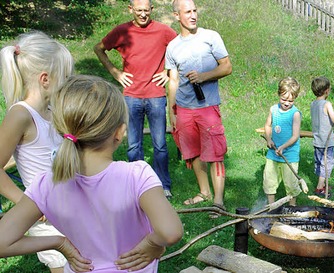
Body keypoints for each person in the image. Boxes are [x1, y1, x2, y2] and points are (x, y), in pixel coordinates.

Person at [0, 75, 184, 272]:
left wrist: (59, 243)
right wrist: (152, 243)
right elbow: (171, 232)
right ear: (120, 132)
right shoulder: (136, 175)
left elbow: (3, 242)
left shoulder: (45, 185)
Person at [0, 30, 74, 273]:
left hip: (69, 210)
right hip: (48, 220)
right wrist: (26, 204)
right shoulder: (20, 114)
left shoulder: (51, 111)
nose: (67, 82)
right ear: (45, 79)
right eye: (65, 77)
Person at [94, 0, 177, 199]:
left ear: (152, 10)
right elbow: (98, 48)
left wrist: (168, 72)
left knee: (160, 144)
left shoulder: (163, 31)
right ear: (130, 9)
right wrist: (115, 72)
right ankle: (134, 185)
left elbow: (179, 48)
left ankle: (162, 185)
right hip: (131, 96)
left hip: (156, 96)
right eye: (138, 11)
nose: (142, 15)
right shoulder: (122, 31)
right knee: (133, 145)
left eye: (146, 11)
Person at [166, 0, 233, 208]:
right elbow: (173, 80)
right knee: (193, 153)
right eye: (188, 12)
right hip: (184, 110)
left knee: (215, 154)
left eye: (195, 10)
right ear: (177, 16)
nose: (193, 15)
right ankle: (204, 192)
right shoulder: (173, 46)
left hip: (208, 108)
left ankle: (218, 201)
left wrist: (204, 77)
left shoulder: (210, 37)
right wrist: (172, 111)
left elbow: (227, 67)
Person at [263, 77, 303, 206]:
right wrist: (269, 139)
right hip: (273, 154)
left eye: (290, 101)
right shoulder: (273, 109)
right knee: (269, 180)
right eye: (284, 99)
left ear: (295, 98)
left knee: (291, 183)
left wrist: (283, 147)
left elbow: (295, 136)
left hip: (289, 155)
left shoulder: (295, 114)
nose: (286, 103)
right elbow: (268, 126)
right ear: (279, 95)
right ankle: (271, 207)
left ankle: (292, 208)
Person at [310, 76, 334, 197]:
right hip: (326, 141)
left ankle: (323, 184)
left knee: (319, 162)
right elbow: (333, 120)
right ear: (327, 90)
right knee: (327, 163)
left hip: (317, 140)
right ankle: (320, 188)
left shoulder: (313, 104)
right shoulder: (326, 104)